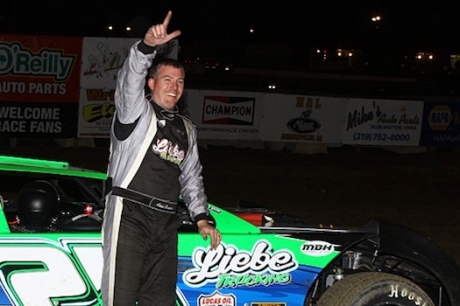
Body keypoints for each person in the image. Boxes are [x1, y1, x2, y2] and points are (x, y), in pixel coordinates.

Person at [101, 10, 221, 306]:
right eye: (167, 79)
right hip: (130, 214)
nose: (174, 87)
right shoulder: (135, 113)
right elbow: (129, 79)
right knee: (121, 299)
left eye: (179, 82)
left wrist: (202, 218)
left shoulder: (187, 129)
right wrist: (145, 48)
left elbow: (192, 177)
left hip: (167, 222)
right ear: (152, 83)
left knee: (160, 301)